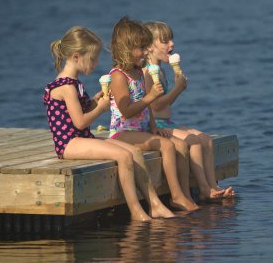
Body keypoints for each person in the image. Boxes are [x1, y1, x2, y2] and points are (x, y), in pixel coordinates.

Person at [43, 26, 175, 222]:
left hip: (82, 138)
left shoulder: (74, 83)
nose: (96, 63)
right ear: (77, 56)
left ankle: (155, 204)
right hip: (69, 143)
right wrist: (101, 109)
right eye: (93, 58)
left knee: (135, 152)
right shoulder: (66, 86)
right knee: (123, 155)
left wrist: (94, 102)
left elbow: (79, 112)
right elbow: (79, 123)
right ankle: (136, 211)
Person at [107, 16, 199, 212]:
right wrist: (150, 97)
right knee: (166, 146)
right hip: (122, 131)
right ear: (126, 49)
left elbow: (147, 108)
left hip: (142, 128)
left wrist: (155, 127)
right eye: (142, 48)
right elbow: (126, 111)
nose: (146, 51)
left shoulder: (139, 72)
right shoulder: (118, 75)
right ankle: (175, 196)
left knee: (180, 145)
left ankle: (185, 194)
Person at [143, 21, 235, 200]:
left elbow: (166, 104)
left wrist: (179, 88)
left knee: (206, 140)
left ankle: (213, 185)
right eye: (165, 41)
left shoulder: (161, 71)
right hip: (155, 125)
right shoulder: (147, 73)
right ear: (150, 47)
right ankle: (203, 189)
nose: (172, 44)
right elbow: (154, 106)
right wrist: (177, 89)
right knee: (193, 141)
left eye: (171, 39)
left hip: (167, 122)